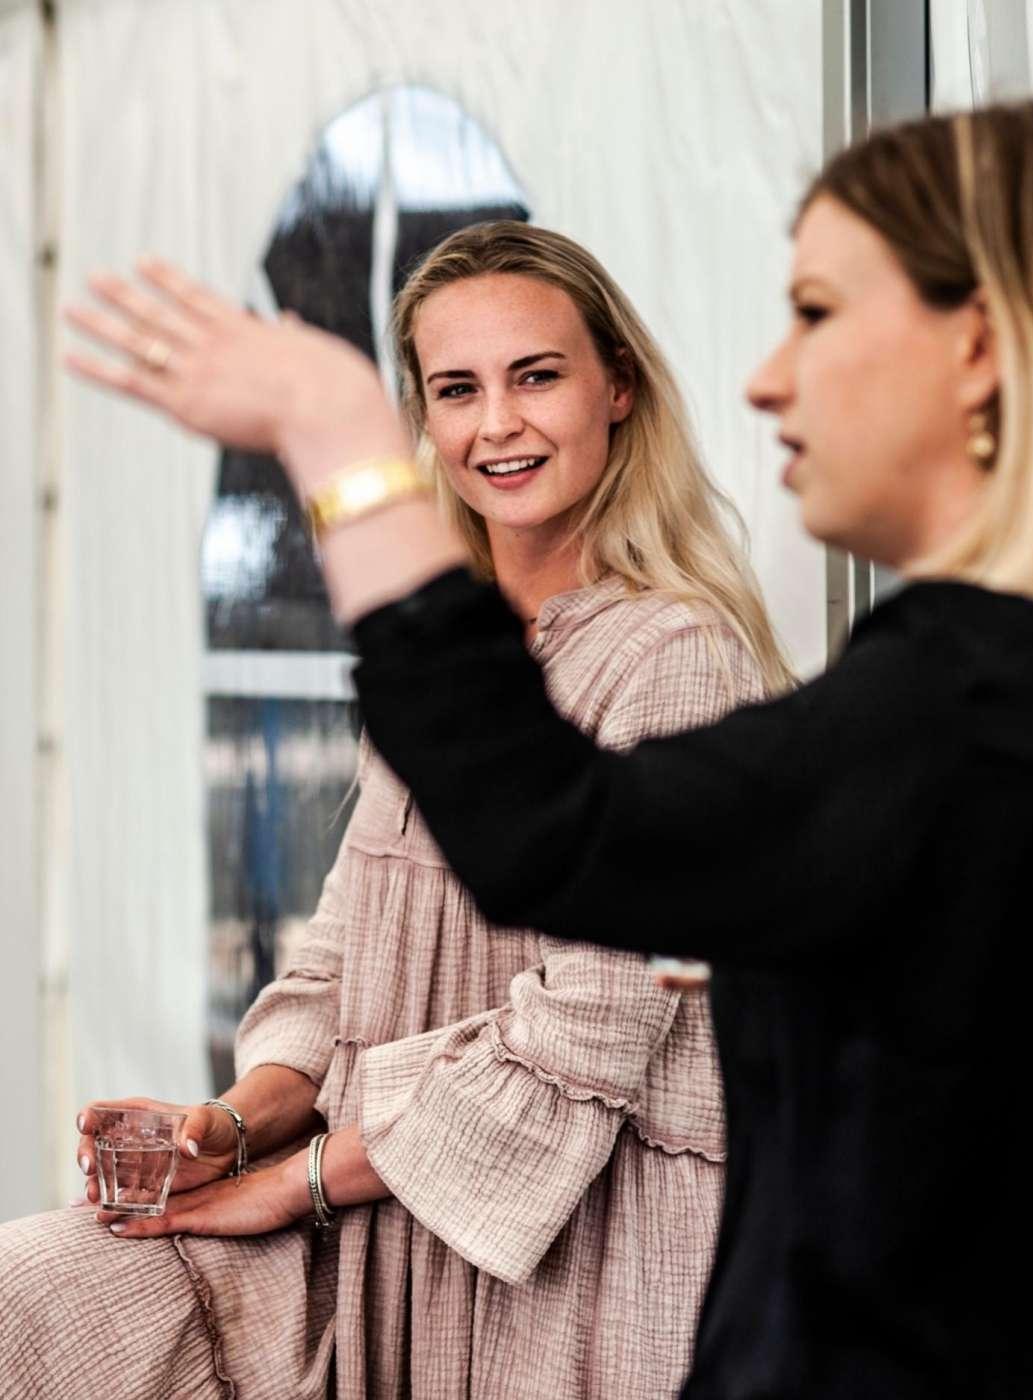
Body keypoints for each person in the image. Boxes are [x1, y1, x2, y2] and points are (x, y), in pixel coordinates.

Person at [48, 98, 1033, 1397]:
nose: (767, 375)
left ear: (982, 348)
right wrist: (232, 1120)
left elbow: (548, 847)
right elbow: (370, 924)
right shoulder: (961, 703)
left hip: (561, 1278)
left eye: (819, 313)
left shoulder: (798, 682)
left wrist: (338, 445)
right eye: (452, 391)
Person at [0, 223, 792, 1399]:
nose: (496, 426)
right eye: (455, 389)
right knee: (43, 1289)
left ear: (617, 385)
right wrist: (224, 1126)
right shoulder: (452, 654)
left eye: (536, 375)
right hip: (385, 1204)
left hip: (573, 1240)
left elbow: (585, 1037)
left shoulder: (670, 654)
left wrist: (294, 1178)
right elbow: (343, 953)